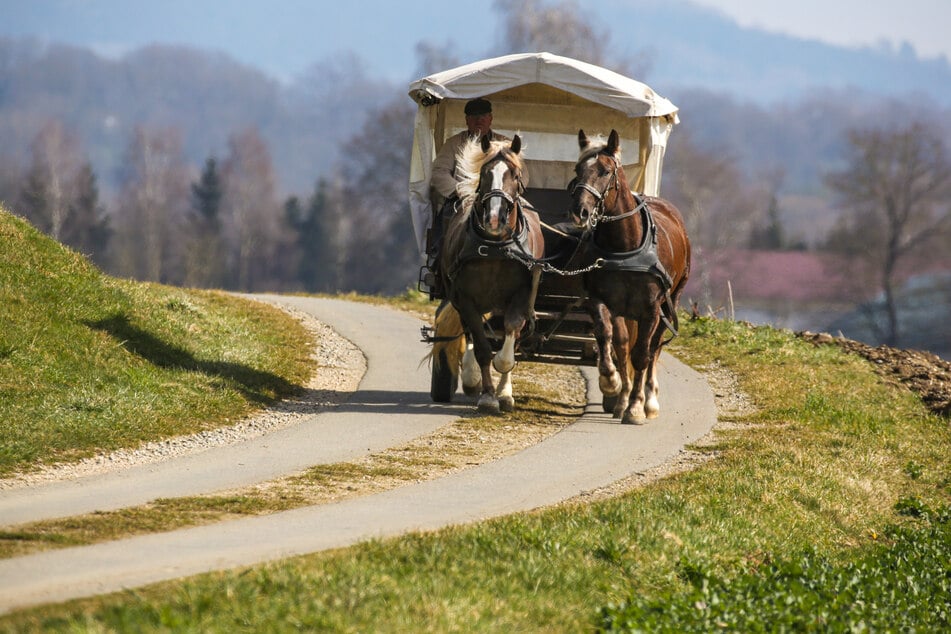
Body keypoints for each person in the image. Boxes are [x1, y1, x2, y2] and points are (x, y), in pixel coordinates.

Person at [426, 98, 510, 286]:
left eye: (482, 117)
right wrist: (461, 190)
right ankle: (438, 263)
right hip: (462, 199)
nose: (478, 121)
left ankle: (524, 263)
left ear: (490, 118)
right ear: (466, 120)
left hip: (499, 198)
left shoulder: (505, 144)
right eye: (474, 117)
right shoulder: (454, 143)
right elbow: (439, 172)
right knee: (446, 217)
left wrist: (507, 192)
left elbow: (521, 172)